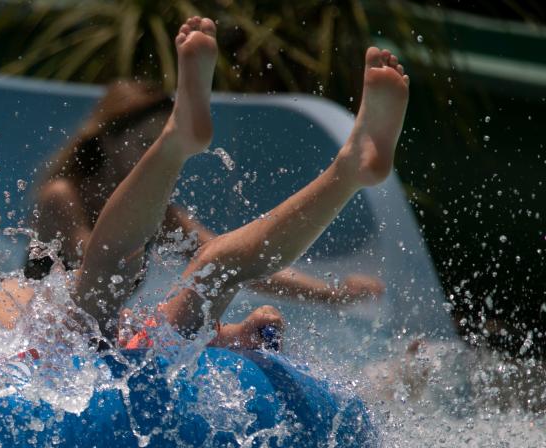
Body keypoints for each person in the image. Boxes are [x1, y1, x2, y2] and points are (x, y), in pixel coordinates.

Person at [0, 17, 409, 363]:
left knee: (217, 263)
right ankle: (181, 139)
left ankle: (348, 172)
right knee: (100, 276)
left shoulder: (13, 288)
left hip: (87, 342)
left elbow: (121, 323)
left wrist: (222, 334)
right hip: (64, 342)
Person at [26, 80, 385, 306]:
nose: (151, 159)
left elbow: (233, 258)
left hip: (104, 333)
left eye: (160, 147)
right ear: (106, 139)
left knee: (220, 269)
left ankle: (348, 171)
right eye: (144, 145)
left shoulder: (161, 214)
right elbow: (99, 272)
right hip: (51, 331)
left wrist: (330, 294)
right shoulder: (61, 196)